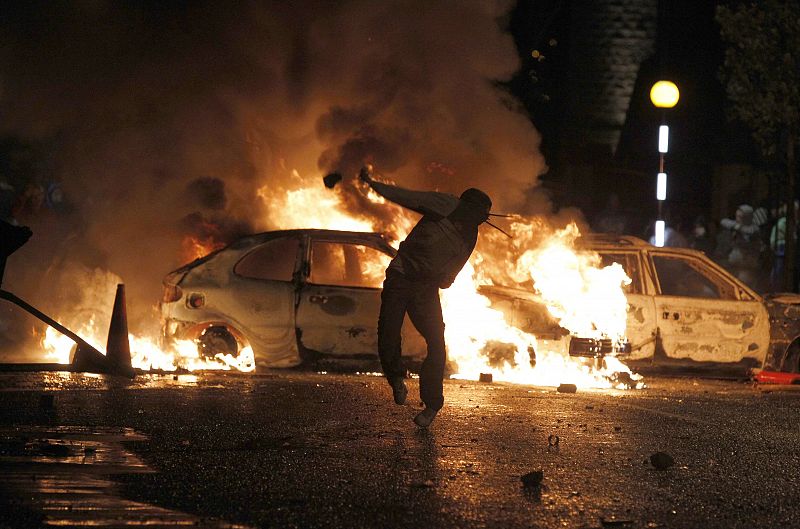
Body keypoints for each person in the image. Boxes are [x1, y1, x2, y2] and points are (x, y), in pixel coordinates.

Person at [359, 167, 492, 428]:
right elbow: (406, 196)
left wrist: (445, 277)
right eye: (478, 213)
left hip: (426, 288)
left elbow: (456, 265)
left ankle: (432, 405)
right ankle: (397, 379)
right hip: (401, 276)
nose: (478, 219)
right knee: (388, 330)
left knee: (436, 343)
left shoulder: (471, 233)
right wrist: (373, 184)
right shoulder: (446, 204)